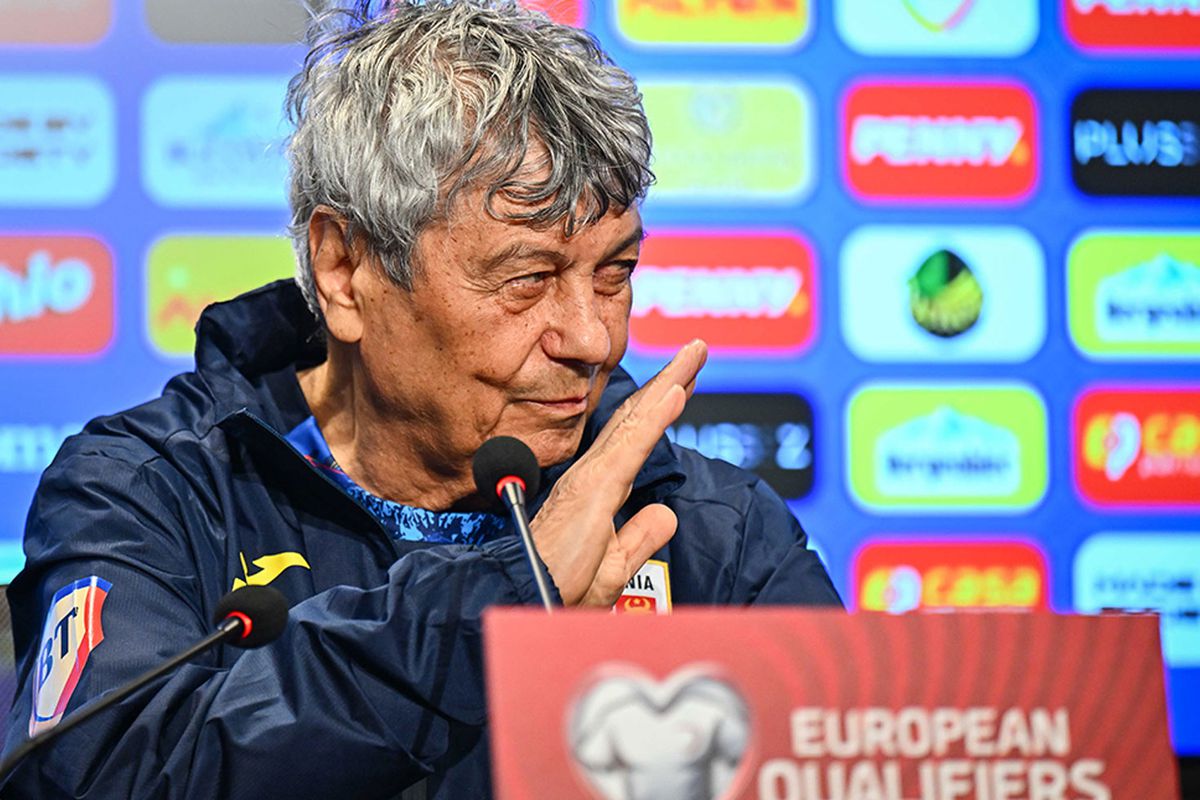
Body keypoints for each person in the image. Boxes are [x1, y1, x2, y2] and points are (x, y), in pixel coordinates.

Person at [0, 0, 840, 797]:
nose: (592, 338)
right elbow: (95, 774)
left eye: (614, 272)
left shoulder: (711, 530)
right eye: (527, 279)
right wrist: (507, 599)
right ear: (346, 271)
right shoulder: (152, 493)